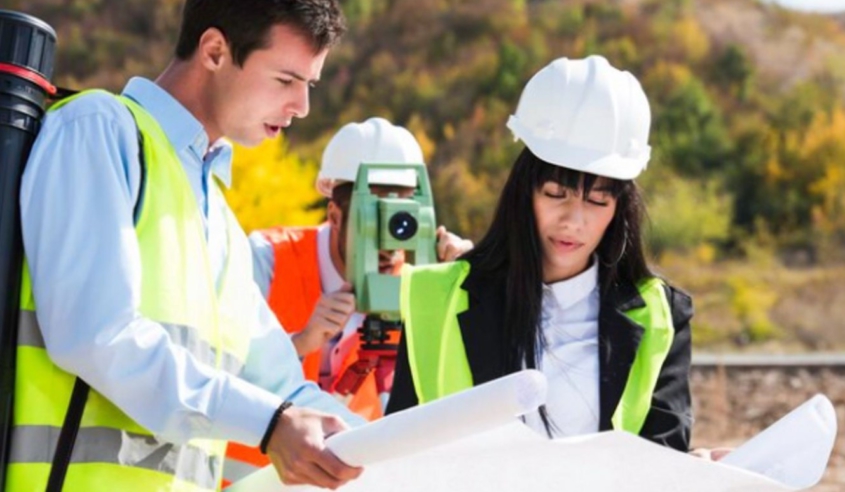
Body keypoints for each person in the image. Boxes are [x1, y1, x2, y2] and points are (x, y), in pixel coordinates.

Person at [13, 1, 365, 490]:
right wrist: (269, 423)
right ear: (215, 52)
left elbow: (283, 388)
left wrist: (416, 453)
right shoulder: (101, 130)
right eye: (286, 81)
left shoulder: (220, 223)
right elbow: (96, 334)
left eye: (309, 85)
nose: (301, 106)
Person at [386, 55, 694, 452]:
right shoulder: (435, 298)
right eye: (555, 194)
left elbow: (664, 457)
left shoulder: (661, 315)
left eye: (598, 201)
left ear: (619, 209)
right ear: (523, 192)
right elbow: (397, 454)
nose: (574, 221)